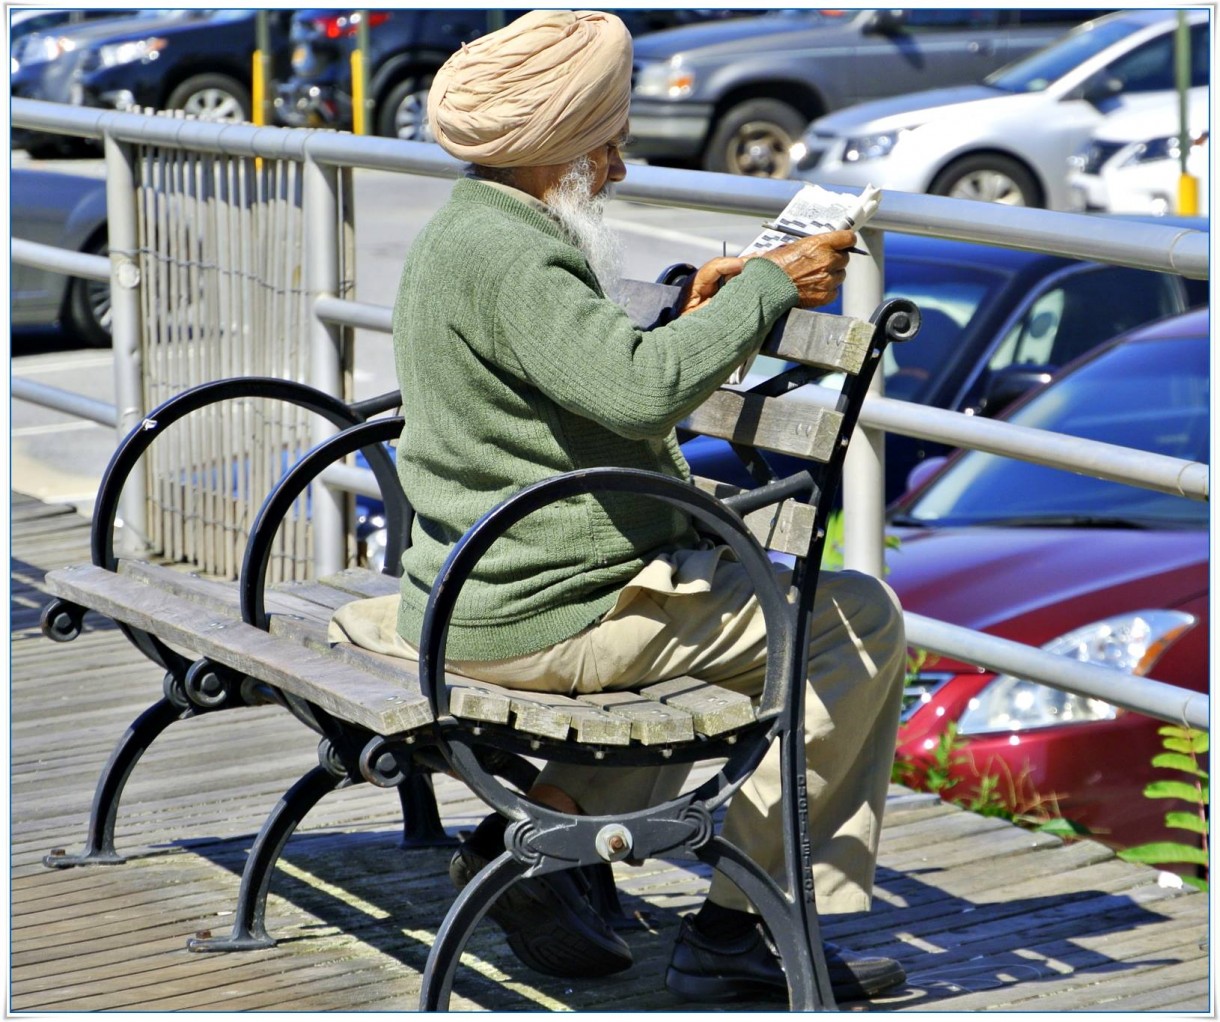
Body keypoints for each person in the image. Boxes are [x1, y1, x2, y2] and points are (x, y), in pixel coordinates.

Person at [328, 9, 907, 1004]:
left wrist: (702, 309)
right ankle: (735, 928)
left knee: (725, 633)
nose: (622, 163)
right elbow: (638, 395)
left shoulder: (470, 228)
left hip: (469, 589)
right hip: (540, 611)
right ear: (553, 142)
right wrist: (768, 284)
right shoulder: (518, 254)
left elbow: (590, 371)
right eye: (610, 136)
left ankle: (544, 825)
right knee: (852, 623)